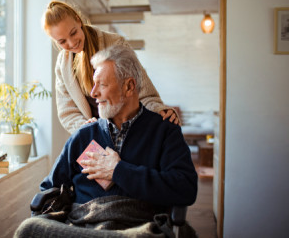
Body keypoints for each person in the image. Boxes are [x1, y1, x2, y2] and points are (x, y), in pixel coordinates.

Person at [14, 45, 197, 238]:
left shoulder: (164, 131)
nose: (93, 93)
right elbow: (49, 187)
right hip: (82, 226)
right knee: (29, 228)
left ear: (129, 86)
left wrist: (118, 171)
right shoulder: (84, 135)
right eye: (93, 84)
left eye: (102, 85)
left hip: (136, 227)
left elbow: (185, 189)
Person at [42, 0, 180, 134]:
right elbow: (67, 112)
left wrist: (159, 110)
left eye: (73, 33)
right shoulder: (62, 64)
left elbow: (142, 90)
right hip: (94, 137)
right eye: (62, 41)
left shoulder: (115, 43)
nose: (72, 43)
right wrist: (84, 128)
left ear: (78, 20)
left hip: (128, 131)